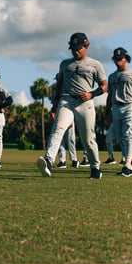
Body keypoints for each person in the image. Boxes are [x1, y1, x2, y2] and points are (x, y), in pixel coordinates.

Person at [37, 32, 107, 179]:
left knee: (88, 139)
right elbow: (60, 84)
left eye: (78, 48)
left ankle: (95, 167)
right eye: (73, 48)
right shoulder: (64, 64)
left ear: (86, 46)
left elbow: (104, 86)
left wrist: (91, 94)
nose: (75, 51)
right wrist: (54, 105)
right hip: (66, 100)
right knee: (58, 129)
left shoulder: (95, 64)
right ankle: (48, 161)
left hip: (85, 102)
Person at [105, 47, 132, 177]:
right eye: (115, 59)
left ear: (126, 59)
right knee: (120, 138)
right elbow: (109, 96)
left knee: (129, 135)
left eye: (120, 59)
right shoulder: (111, 76)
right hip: (115, 108)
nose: (118, 62)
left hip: (129, 106)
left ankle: (127, 165)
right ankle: (130, 165)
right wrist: (107, 113)